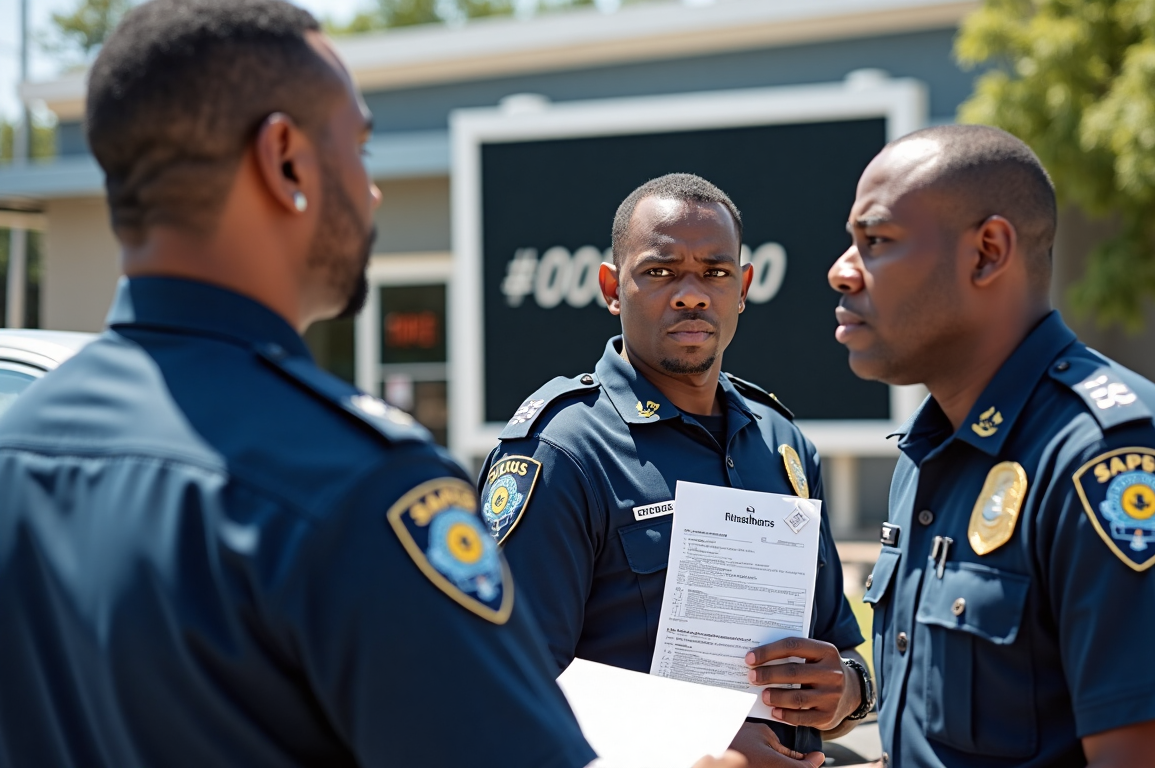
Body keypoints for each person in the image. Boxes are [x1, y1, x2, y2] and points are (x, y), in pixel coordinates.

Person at [0, 4, 743, 768]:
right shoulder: (360, 487)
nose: (374, 191)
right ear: (285, 160)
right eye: (359, 145)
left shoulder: (17, 444)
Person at [827, 124, 1155, 767]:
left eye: (876, 241)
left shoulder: (1112, 464)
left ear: (987, 252)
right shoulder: (932, 452)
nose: (842, 272)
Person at [479, 173, 874, 768]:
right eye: (661, 272)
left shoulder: (783, 444)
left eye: (715, 273)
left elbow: (840, 648)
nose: (692, 294)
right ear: (613, 288)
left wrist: (846, 689)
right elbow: (503, 684)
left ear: (742, 287)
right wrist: (696, 739)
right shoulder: (563, 452)